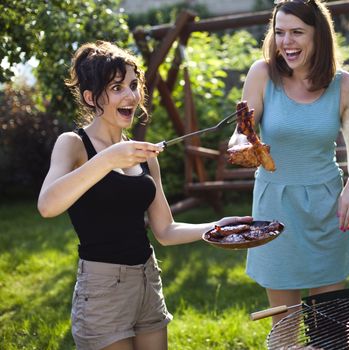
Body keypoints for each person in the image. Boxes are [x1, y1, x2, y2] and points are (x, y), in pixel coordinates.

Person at [37, 41, 251, 350]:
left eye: (133, 85)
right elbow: (47, 205)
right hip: (102, 290)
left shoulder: (144, 155)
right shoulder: (73, 145)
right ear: (90, 97)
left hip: (148, 280)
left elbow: (165, 230)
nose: (131, 96)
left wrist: (218, 226)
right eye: (117, 87)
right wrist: (109, 158)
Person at [229, 0, 349, 325]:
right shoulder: (261, 74)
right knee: (285, 329)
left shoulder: (345, 85)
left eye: (296, 32)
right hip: (275, 209)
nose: (286, 42)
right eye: (279, 32)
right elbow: (243, 130)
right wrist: (239, 144)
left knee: (330, 327)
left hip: (327, 207)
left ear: (318, 35)